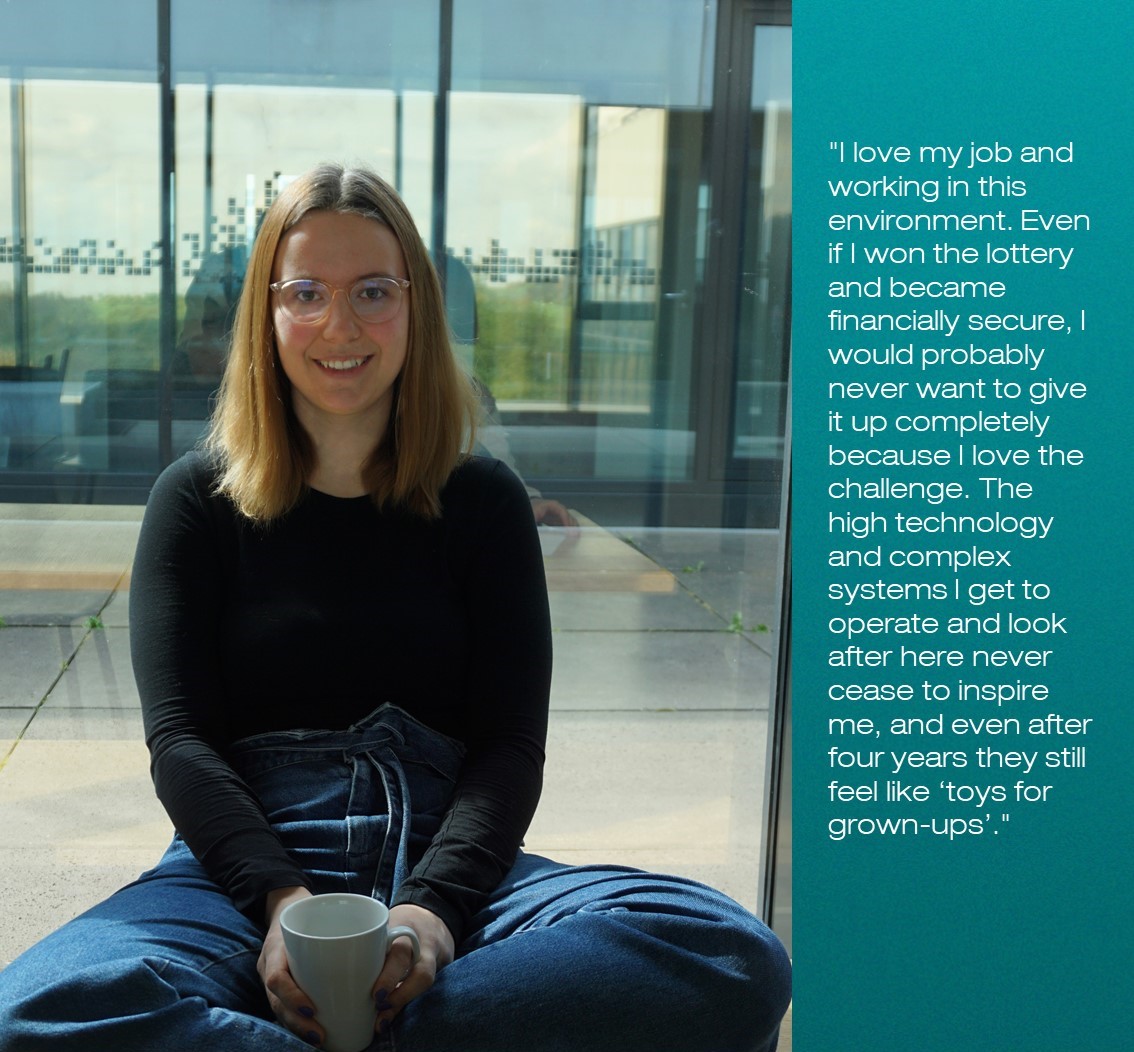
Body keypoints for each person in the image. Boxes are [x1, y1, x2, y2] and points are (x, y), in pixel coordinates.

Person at [0, 163, 790, 1051]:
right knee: (33, 1011)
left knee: (729, 953)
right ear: (268, 312)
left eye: (373, 291)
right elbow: (180, 741)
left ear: (416, 306)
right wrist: (280, 905)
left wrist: (433, 913)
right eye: (307, 292)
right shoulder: (194, 501)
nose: (341, 325)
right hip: (238, 870)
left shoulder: (485, 502)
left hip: (445, 857)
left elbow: (508, 745)